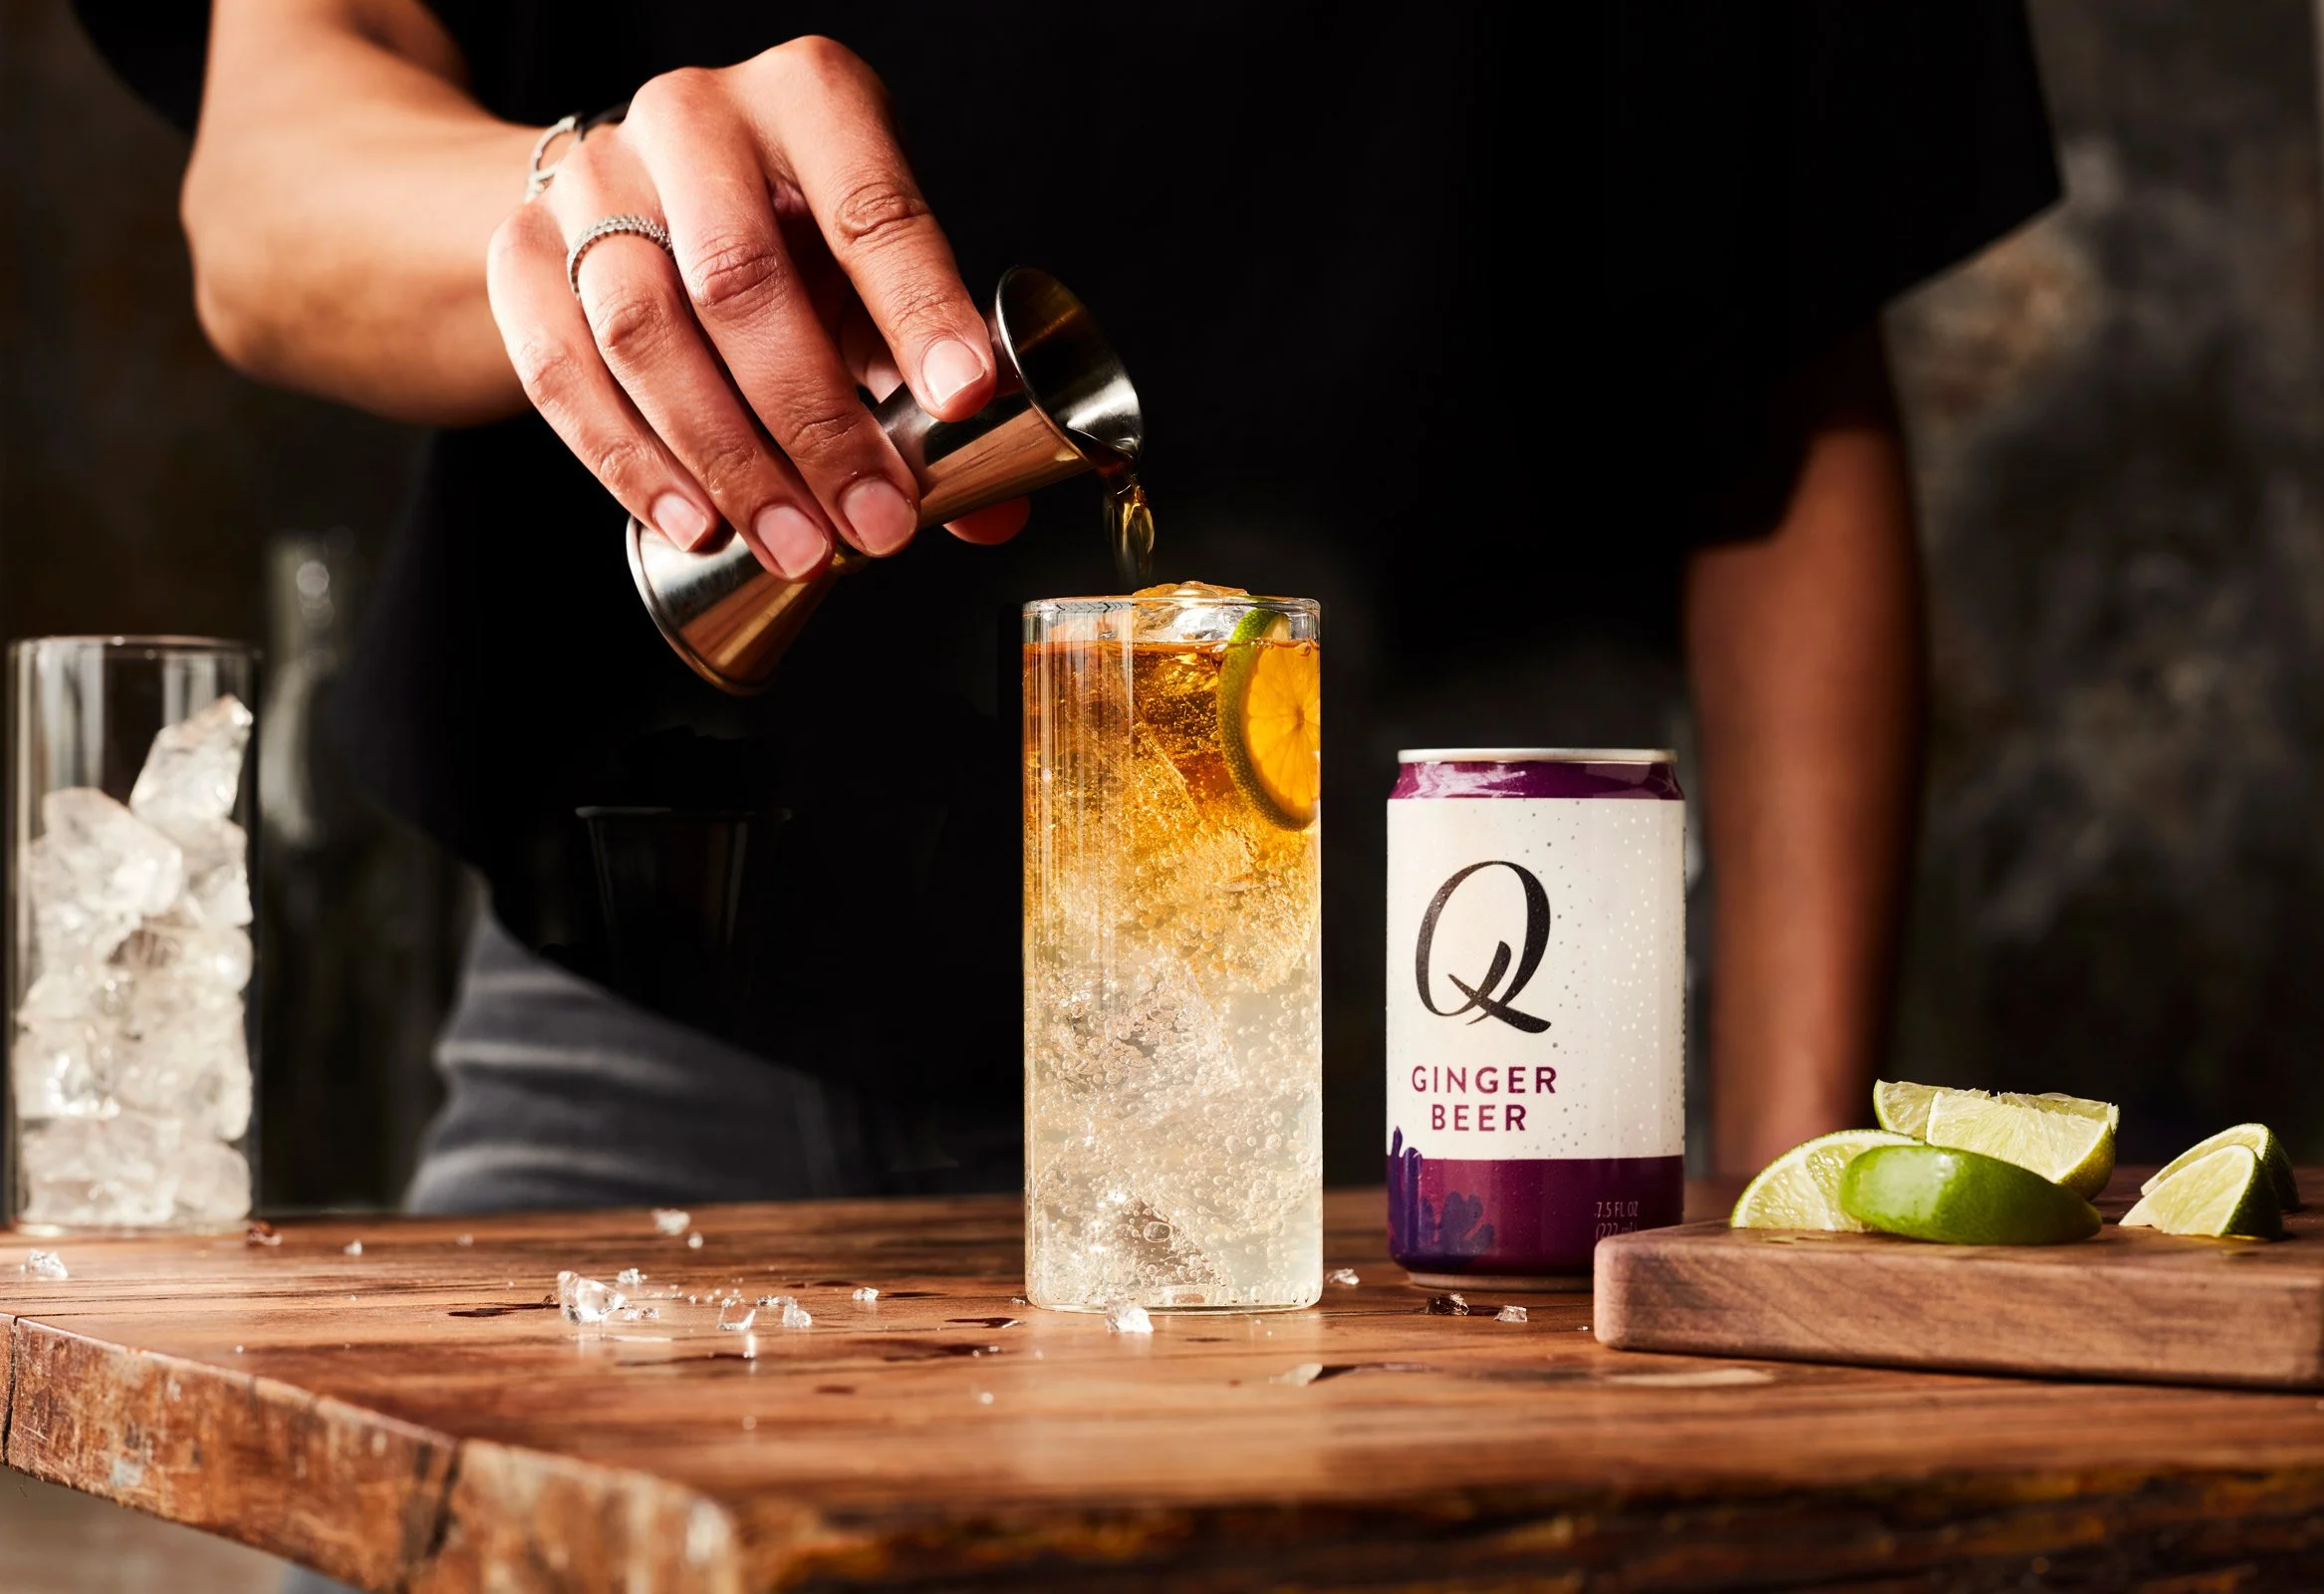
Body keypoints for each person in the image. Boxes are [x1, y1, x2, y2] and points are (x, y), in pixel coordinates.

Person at [78, 2, 2057, 1205]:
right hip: (669, 1024)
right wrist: (568, 203)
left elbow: (1787, 373)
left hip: (1418, 1089)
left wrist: (1782, 1191)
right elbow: (264, 184)